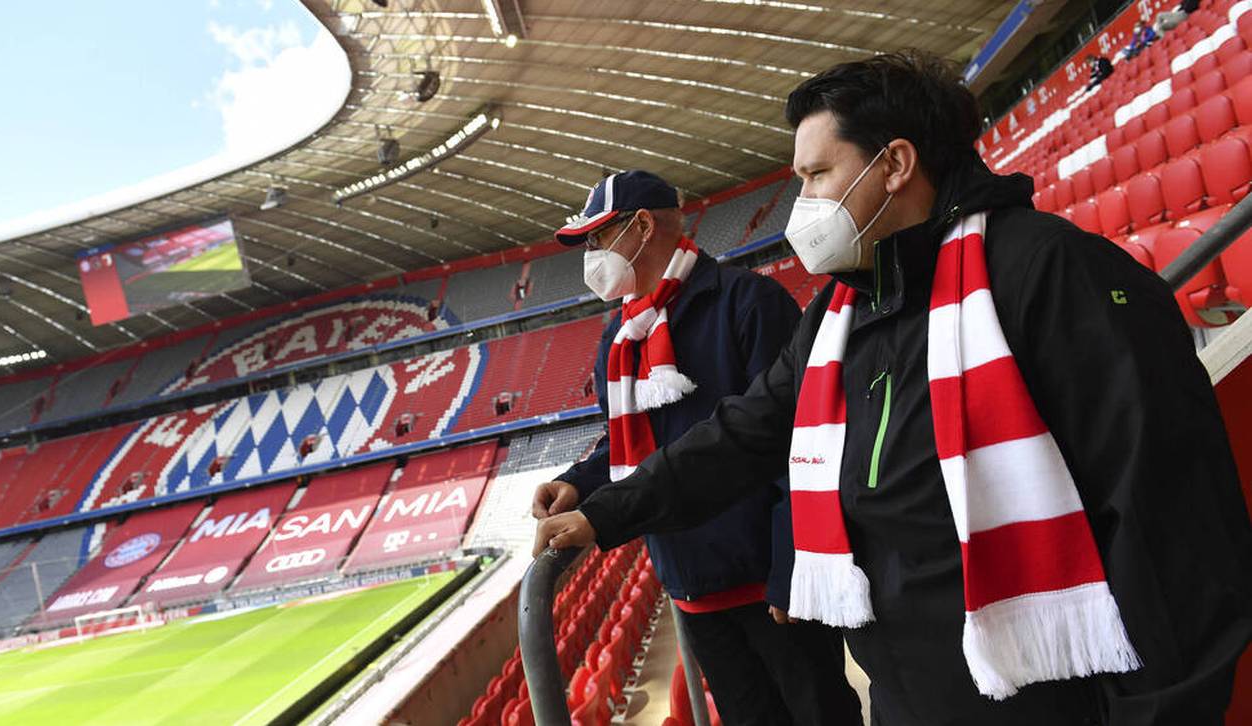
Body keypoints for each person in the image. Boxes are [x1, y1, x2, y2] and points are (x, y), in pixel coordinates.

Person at [535, 51, 1252, 725]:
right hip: (907, 696)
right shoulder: (842, 311)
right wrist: (607, 513)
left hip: (1049, 700)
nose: (802, 201)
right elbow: (746, 430)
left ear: (896, 165)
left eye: (816, 175)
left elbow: (1174, 538)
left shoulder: (1053, 274)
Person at [533, 170, 862, 725]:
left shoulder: (748, 303)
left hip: (772, 587)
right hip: (692, 589)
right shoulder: (619, 341)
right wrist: (579, 482)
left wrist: (792, 565)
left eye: (596, 238)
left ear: (640, 227)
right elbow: (628, 445)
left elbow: (796, 440)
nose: (590, 255)